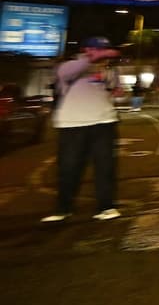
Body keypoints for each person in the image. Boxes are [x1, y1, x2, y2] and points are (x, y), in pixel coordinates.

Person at [43, 37, 122, 223]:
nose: (104, 54)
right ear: (86, 49)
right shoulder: (69, 66)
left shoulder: (109, 69)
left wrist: (116, 90)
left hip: (104, 121)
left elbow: (113, 88)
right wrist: (92, 59)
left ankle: (106, 206)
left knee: (105, 167)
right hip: (73, 124)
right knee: (69, 167)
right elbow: (68, 74)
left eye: (105, 50)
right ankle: (64, 208)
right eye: (98, 50)